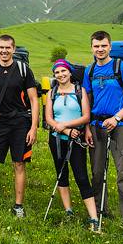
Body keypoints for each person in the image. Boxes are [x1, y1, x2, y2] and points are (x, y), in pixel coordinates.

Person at [83, 30, 123, 237]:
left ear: (109, 47)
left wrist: (116, 118)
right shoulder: (89, 71)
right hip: (97, 126)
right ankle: (101, 211)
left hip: (121, 126)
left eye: (104, 46)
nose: (100, 49)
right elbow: (87, 102)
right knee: (97, 173)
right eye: (96, 46)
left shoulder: (121, 67)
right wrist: (87, 128)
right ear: (91, 48)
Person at [0, 34, 38, 217]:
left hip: (20, 123)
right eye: (1, 48)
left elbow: (34, 100)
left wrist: (33, 128)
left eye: (8, 48)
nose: (4, 51)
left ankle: (18, 206)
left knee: (19, 163)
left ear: (13, 49)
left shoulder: (23, 69)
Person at [44, 59, 99, 231]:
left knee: (81, 176)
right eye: (57, 72)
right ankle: (69, 211)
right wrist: (66, 130)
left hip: (76, 140)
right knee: (62, 174)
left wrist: (66, 127)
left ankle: (94, 218)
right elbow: (48, 119)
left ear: (70, 72)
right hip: (57, 139)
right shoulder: (51, 93)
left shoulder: (79, 91)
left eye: (63, 71)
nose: (60, 75)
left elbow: (85, 117)